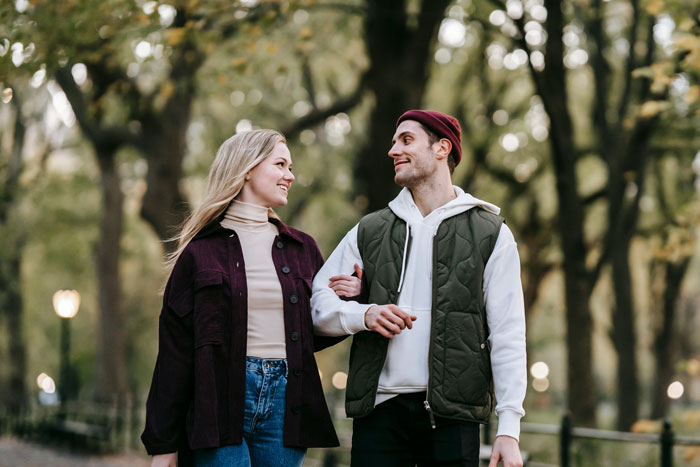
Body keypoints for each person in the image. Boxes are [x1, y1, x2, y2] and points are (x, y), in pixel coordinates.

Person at [312, 110, 527, 467]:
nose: (393, 150)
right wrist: (363, 313)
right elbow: (317, 307)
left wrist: (509, 427)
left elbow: (508, 333)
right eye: (394, 141)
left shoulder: (492, 234)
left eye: (406, 140)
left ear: (442, 148)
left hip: (453, 420)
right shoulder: (369, 230)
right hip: (378, 415)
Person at [141, 129, 358, 467]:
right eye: (281, 164)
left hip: (288, 404)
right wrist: (162, 444)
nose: (291, 175)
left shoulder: (303, 249)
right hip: (219, 402)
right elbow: (175, 353)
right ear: (247, 168)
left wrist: (350, 298)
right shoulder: (199, 254)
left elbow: (317, 327)